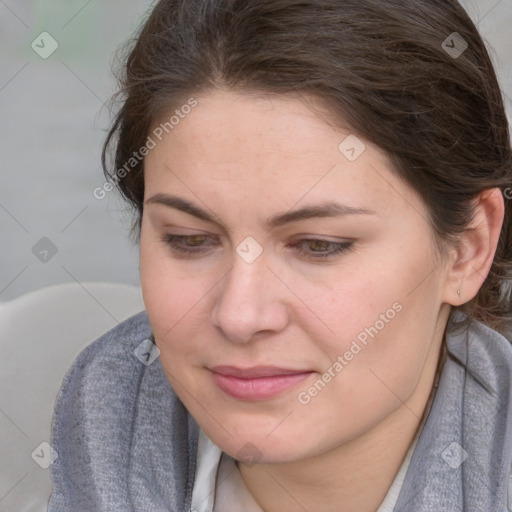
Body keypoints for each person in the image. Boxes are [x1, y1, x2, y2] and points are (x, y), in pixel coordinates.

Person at [48, 1, 512, 511]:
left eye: (319, 246)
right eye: (189, 238)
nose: (239, 315)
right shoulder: (92, 424)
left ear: (467, 249)